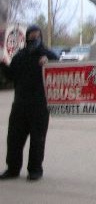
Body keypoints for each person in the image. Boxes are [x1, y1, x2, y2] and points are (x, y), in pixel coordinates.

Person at [0, 25, 59, 181]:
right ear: (26, 37)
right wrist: (2, 64)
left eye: (37, 35)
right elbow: (11, 76)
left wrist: (49, 62)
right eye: (31, 35)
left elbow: (60, 68)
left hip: (40, 106)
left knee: (37, 140)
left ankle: (35, 170)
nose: (34, 38)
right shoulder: (20, 56)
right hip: (19, 105)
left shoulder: (47, 55)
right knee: (14, 139)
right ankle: (12, 169)